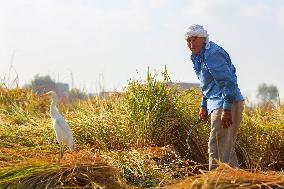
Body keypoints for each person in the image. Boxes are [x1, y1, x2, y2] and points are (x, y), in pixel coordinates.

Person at [184, 24, 244, 170]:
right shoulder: (200, 56)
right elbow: (208, 83)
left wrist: (227, 109)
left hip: (225, 103)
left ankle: (217, 183)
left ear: (204, 39)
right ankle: (238, 183)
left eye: (195, 40)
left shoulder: (212, 54)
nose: (191, 44)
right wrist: (204, 106)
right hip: (217, 103)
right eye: (188, 41)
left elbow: (228, 81)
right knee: (225, 149)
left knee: (216, 147)